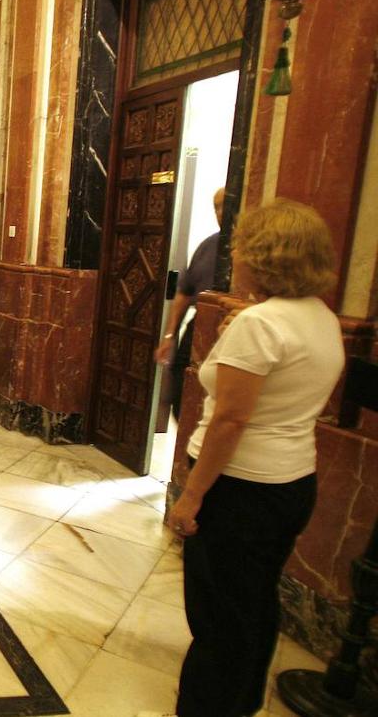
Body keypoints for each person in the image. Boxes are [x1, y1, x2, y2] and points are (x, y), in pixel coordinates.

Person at [154, 200, 344, 717]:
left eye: (241, 248)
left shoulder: (260, 324)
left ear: (262, 256)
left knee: (217, 619)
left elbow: (230, 421)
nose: (234, 256)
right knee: (254, 606)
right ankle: (241, 705)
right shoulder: (321, 316)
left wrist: (192, 497)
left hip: (238, 490)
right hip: (291, 483)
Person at [156, 188, 225, 418]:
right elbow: (184, 293)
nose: (220, 212)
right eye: (216, 207)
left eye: (225, 205)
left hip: (226, 328)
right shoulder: (208, 246)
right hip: (198, 325)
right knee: (180, 388)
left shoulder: (247, 250)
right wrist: (169, 335)